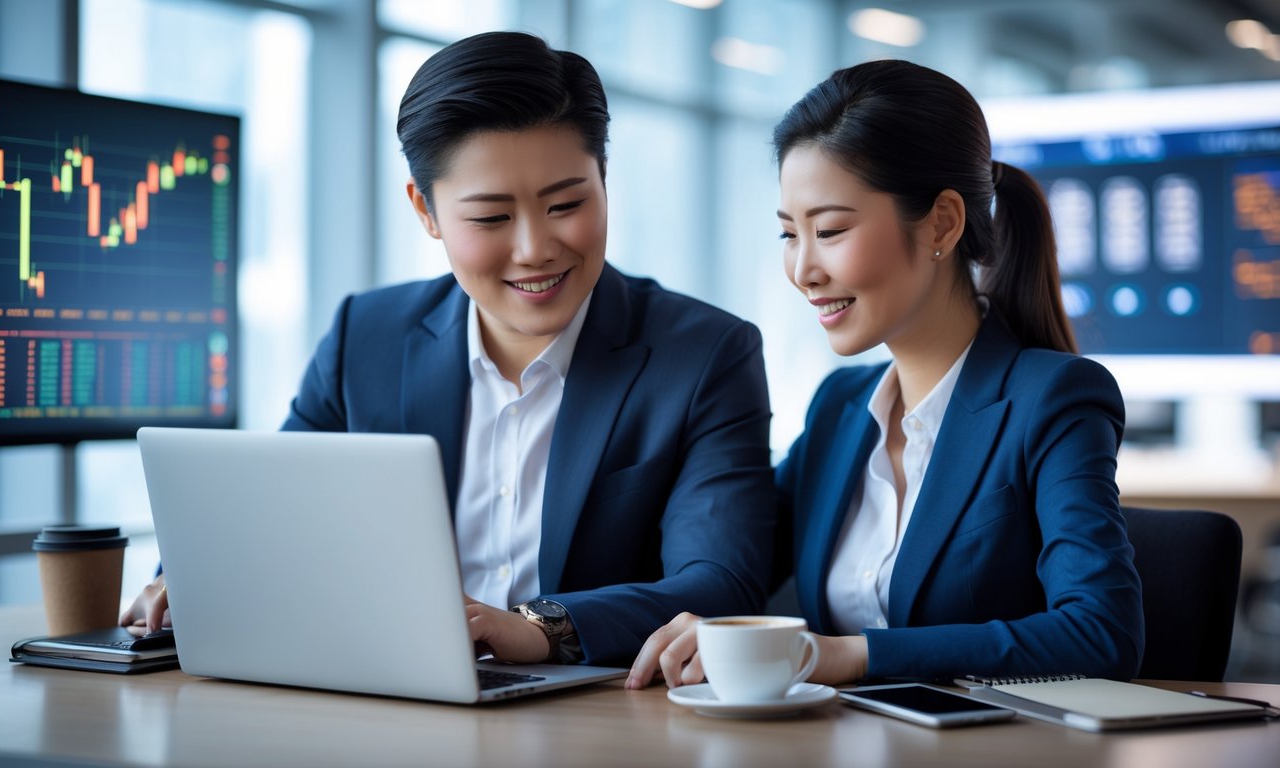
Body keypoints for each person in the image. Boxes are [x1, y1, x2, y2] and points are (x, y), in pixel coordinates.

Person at [121, 31, 775, 667]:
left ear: (603, 180)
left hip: (595, 718)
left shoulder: (705, 354)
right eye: (490, 218)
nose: (533, 248)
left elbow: (721, 584)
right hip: (382, 700)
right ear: (426, 211)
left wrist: (538, 628)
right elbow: (264, 512)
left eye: (566, 204)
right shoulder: (367, 335)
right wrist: (196, 575)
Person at [627, 59, 1144, 689]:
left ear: (942, 224)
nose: (803, 269)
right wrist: (551, 625)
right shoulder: (839, 409)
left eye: (831, 230)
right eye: (790, 234)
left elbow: (1100, 633)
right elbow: (728, 570)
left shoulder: (1052, 398)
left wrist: (849, 655)